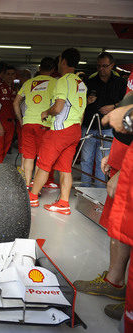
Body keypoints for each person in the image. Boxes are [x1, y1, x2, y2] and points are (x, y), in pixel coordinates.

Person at [72, 72, 133, 321]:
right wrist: (117, 155)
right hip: (124, 150)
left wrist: (127, 169)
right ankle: (115, 282)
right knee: (119, 228)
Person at [28, 48, 87, 214]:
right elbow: (81, 112)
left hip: (60, 130)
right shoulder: (81, 83)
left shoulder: (63, 81)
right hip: (75, 129)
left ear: (63, 61)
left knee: (43, 165)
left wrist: (46, 112)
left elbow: (59, 107)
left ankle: (32, 197)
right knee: (66, 168)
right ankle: (63, 203)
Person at [80, 52, 126, 187]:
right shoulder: (89, 82)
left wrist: (113, 106)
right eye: (99, 66)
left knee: (103, 160)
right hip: (89, 125)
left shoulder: (121, 83)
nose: (101, 69)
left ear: (112, 65)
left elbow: (128, 102)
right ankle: (84, 187)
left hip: (108, 128)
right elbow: (79, 103)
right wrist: (87, 101)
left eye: (105, 66)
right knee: (85, 159)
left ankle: (99, 190)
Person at [13, 57, 57, 187]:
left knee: (28, 156)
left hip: (28, 123)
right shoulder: (56, 83)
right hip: (45, 124)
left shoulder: (29, 83)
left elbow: (16, 102)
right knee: (41, 157)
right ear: (53, 69)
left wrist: (21, 120)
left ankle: (26, 184)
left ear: (39, 68)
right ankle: (36, 188)